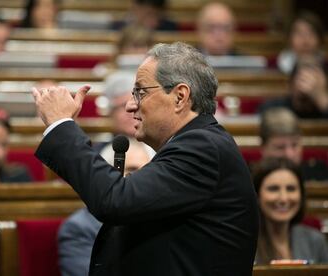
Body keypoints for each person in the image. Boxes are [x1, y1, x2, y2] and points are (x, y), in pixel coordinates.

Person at [32, 42, 258, 275]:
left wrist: (61, 125)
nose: (130, 106)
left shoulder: (202, 148)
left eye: (140, 92)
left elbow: (115, 200)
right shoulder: (197, 144)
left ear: (180, 97)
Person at [58, 139, 154, 276]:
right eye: (132, 170)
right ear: (107, 178)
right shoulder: (80, 228)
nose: (140, 179)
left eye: (146, 172)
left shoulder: (159, 219)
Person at [253, 157, 328, 264]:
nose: (283, 198)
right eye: (273, 189)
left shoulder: (315, 240)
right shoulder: (244, 242)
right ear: (257, 195)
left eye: (291, 189)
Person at [260, 107, 328, 181]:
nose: (290, 155)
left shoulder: (318, 173)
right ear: (263, 149)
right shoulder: (249, 180)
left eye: (294, 145)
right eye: (280, 147)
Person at [259, 56, 328, 118]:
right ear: (291, 83)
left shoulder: (324, 104)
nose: (309, 86)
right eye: (303, 79)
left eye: (315, 80)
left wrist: (321, 99)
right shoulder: (273, 108)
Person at [112, 0, 178, 31]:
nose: (154, 21)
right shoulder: (118, 28)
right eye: (148, 14)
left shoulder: (170, 27)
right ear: (135, 8)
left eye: (157, 15)